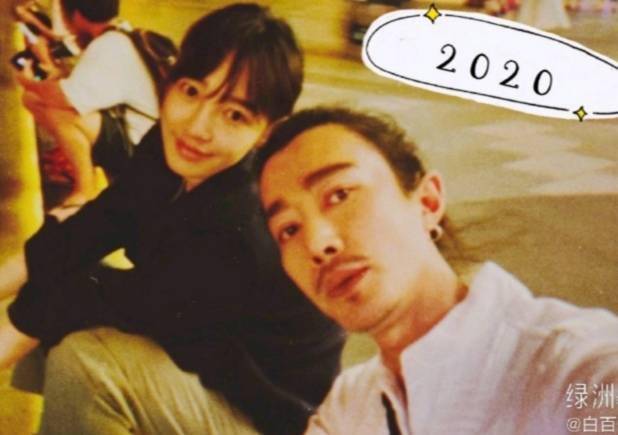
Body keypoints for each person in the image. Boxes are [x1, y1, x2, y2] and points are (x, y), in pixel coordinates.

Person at [0, 5, 344, 434]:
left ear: (267, 132)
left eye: (235, 114)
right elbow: (89, 230)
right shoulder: (166, 154)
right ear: (170, 83)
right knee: (62, 286)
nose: (198, 127)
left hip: (270, 415)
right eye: (192, 91)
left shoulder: (242, 220)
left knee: (86, 357)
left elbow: (89, 298)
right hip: (212, 355)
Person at [257, 107, 618, 435]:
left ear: (427, 202)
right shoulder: (350, 405)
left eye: (339, 194)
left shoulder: (568, 366)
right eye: (289, 229)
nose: (316, 243)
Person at [15, 0, 159, 207]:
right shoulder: (121, 34)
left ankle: (85, 190)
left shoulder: (108, 46)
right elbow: (84, 87)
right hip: (147, 142)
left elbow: (65, 99)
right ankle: (87, 172)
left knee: (58, 111)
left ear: (77, 16)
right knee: (39, 100)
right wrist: (53, 69)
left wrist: (29, 81)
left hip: (140, 152)